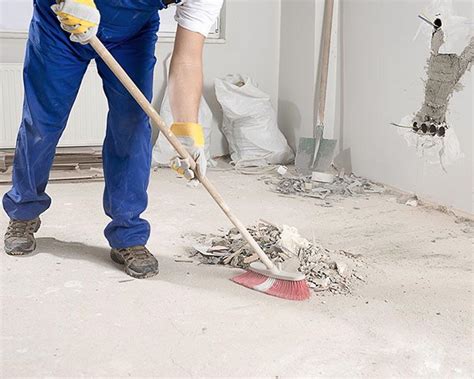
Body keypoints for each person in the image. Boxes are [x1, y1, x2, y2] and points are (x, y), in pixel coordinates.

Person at [2, 0, 223, 279]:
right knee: (42, 122)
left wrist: (188, 131)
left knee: (132, 123)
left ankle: (128, 233)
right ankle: (23, 210)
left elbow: (188, 58)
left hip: (131, 34)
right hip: (60, 23)